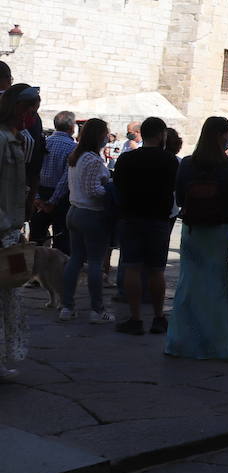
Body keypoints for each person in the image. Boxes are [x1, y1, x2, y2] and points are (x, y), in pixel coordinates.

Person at [166, 116, 228, 359]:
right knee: (217, 286)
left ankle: (181, 342)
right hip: (220, 230)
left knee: (188, 284)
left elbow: (179, 198)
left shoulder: (188, 163)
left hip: (194, 230)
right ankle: (217, 345)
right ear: (222, 135)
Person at [111, 116, 178, 335]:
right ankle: (159, 317)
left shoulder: (126, 159)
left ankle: (136, 318)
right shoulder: (170, 160)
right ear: (161, 135)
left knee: (132, 267)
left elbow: (117, 188)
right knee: (156, 270)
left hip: (131, 218)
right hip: (158, 219)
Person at [0, 84, 41, 374]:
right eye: (28, 108)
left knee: (10, 293)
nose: (31, 114)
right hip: (2, 228)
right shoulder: (2, 139)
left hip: (11, 231)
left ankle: (3, 359)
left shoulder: (18, 139)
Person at [59, 116, 114, 324]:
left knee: (75, 260)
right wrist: (109, 186)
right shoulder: (92, 159)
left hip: (74, 211)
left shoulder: (76, 156)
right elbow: (94, 191)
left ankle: (67, 306)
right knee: (95, 263)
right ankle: (97, 310)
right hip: (91, 213)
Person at [31, 109, 76, 253]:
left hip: (41, 192)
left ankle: (35, 270)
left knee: (36, 239)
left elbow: (34, 170)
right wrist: (53, 201)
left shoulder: (45, 142)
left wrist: (36, 197)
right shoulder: (73, 147)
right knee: (61, 241)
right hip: (60, 197)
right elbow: (65, 178)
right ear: (71, 128)